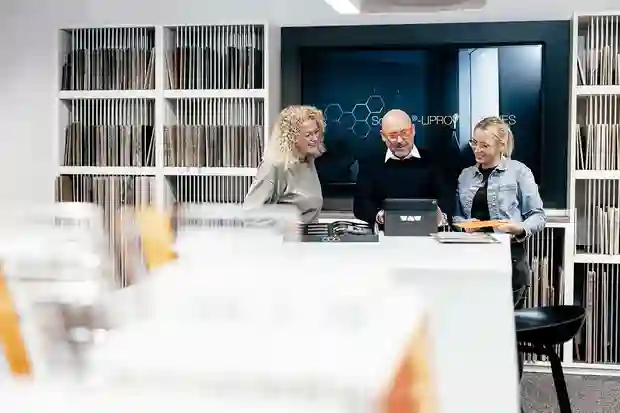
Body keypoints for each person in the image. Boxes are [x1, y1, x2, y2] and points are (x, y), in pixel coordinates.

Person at [453, 116, 545, 391]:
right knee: (475, 330)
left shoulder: (519, 172)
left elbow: (538, 216)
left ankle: (505, 395)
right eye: (474, 144)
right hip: (472, 261)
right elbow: (458, 215)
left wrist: (518, 229)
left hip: (509, 260)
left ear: (501, 145)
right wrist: (462, 227)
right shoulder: (466, 175)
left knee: (505, 331)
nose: (477, 150)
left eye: (484, 145)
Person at [353, 109, 448, 227]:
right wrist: (381, 217)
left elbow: (447, 198)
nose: (399, 140)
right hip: (385, 235)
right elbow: (361, 205)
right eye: (393, 135)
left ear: (413, 130)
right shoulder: (370, 164)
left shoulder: (435, 161)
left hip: (429, 234)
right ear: (383, 136)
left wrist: (439, 216)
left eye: (404, 133)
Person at [243, 105, 325, 223]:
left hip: (308, 237)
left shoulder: (308, 159)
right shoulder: (275, 166)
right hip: (285, 239)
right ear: (292, 138)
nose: (315, 138)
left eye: (316, 132)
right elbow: (250, 215)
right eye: (308, 135)